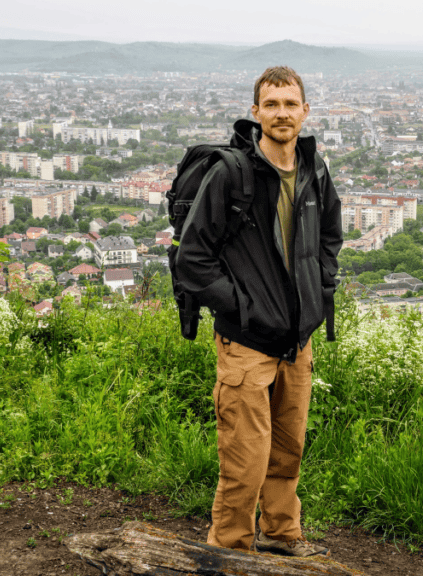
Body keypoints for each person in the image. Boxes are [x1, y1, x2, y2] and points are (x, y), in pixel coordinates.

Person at [174, 66, 342, 557]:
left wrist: (320, 285)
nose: (282, 114)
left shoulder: (314, 170)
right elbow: (192, 259)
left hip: (298, 339)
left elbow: (330, 237)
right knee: (245, 459)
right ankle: (228, 553)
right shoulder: (233, 173)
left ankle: (282, 535)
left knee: (288, 451)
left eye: (291, 104)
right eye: (272, 105)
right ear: (256, 113)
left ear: (305, 111)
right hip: (247, 342)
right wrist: (243, 308)